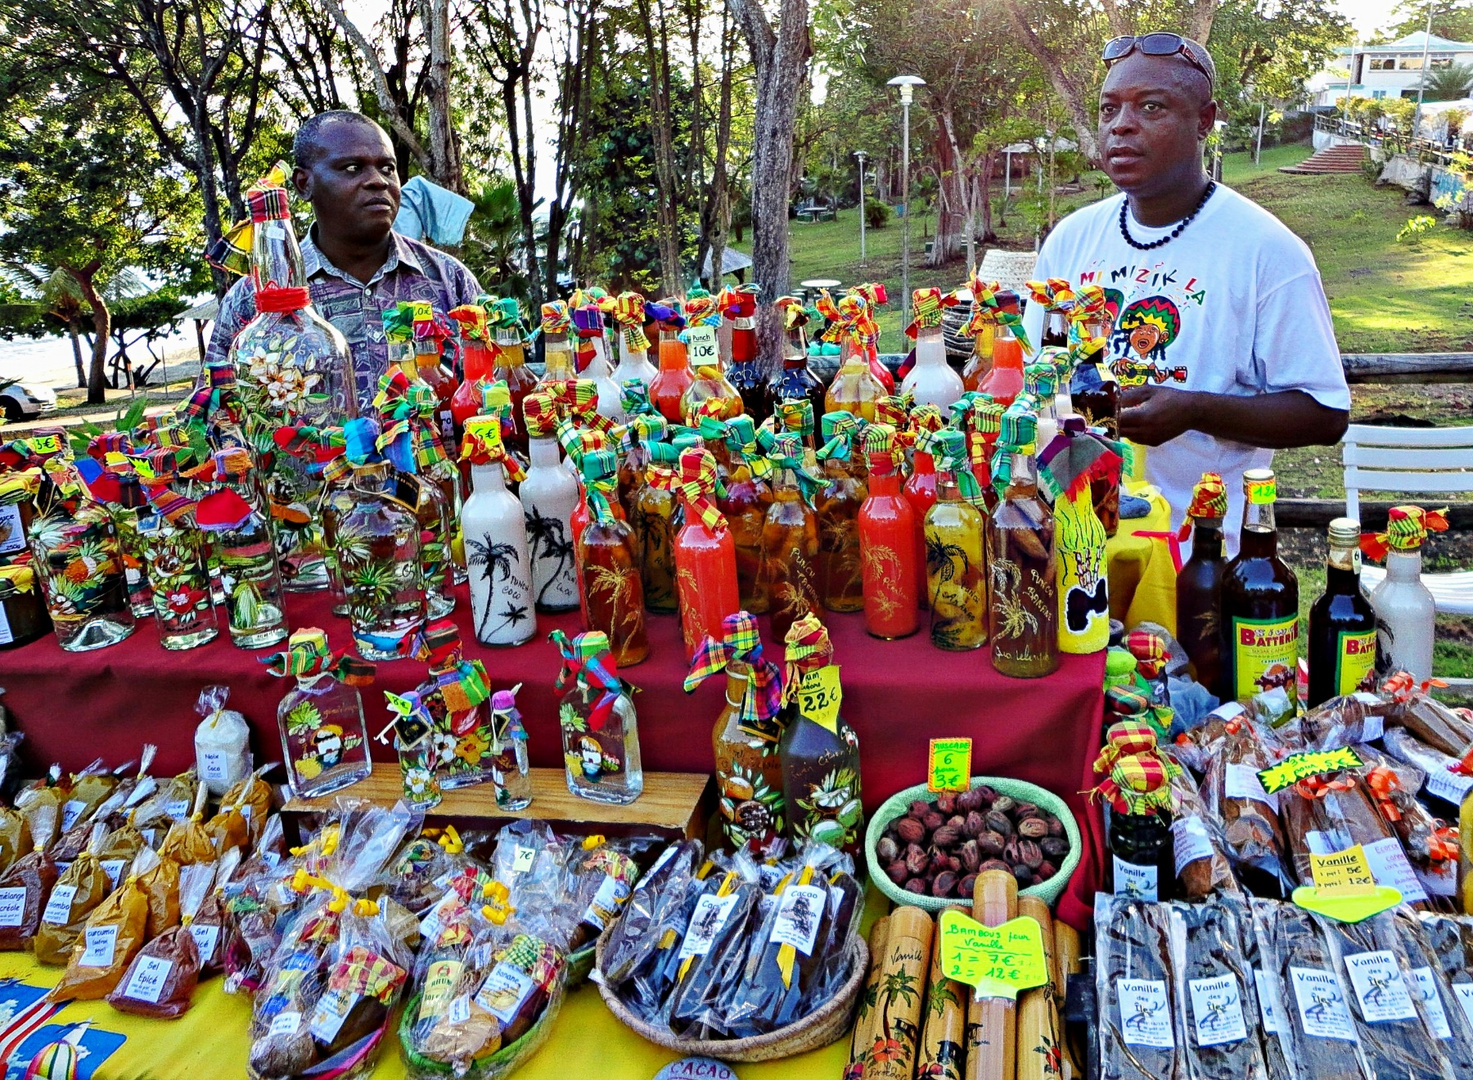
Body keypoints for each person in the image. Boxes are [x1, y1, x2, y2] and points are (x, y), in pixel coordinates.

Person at [1022, 33, 1350, 550]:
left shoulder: (1266, 251)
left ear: (1204, 121)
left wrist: (1194, 410)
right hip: (1069, 541)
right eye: (1109, 109)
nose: (1121, 125)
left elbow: (1325, 413)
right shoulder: (1072, 238)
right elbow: (1032, 371)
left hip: (1196, 556)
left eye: (1151, 106)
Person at [204, 110, 482, 407]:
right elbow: (216, 415)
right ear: (303, 184)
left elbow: (496, 393)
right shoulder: (256, 300)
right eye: (352, 168)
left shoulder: (449, 280)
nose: (378, 181)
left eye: (388, 168)